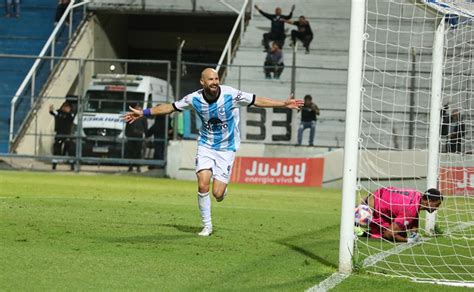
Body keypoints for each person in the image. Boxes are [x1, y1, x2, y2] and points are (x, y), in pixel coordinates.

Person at [123, 68, 303, 236]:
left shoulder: (231, 94)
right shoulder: (194, 99)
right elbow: (170, 107)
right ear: (202, 82)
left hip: (227, 148)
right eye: (211, 79)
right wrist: (143, 112)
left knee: (217, 194)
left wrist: (283, 104)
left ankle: (222, 189)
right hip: (206, 145)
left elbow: (257, 100)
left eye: (216, 78)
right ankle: (207, 225)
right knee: (202, 184)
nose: (215, 82)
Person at [360, 186, 443, 243]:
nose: (437, 208)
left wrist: (414, 233)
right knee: (393, 235)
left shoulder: (417, 195)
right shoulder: (410, 210)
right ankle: (359, 230)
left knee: (401, 231)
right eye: (437, 205)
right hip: (369, 212)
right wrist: (408, 240)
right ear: (429, 201)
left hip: (372, 197)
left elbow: (415, 214)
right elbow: (388, 234)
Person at [49, 101, 75, 170]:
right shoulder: (59, 112)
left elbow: (69, 117)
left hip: (67, 134)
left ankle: (72, 165)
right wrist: (51, 110)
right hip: (59, 133)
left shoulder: (71, 114)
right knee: (57, 147)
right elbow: (54, 112)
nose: (66, 108)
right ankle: (54, 164)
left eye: (67, 107)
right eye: (64, 107)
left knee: (69, 148)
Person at [125, 103, 147, 173]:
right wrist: (127, 134)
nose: (138, 109)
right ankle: (130, 166)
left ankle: (138, 166)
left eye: (139, 108)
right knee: (131, 151)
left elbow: (145, 127)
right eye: (137, 108)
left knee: (138, 152)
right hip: (131, 136)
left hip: (139, 136)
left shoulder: (143, 117)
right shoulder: (131, 116)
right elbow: (127, 126)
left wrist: (145, 135)